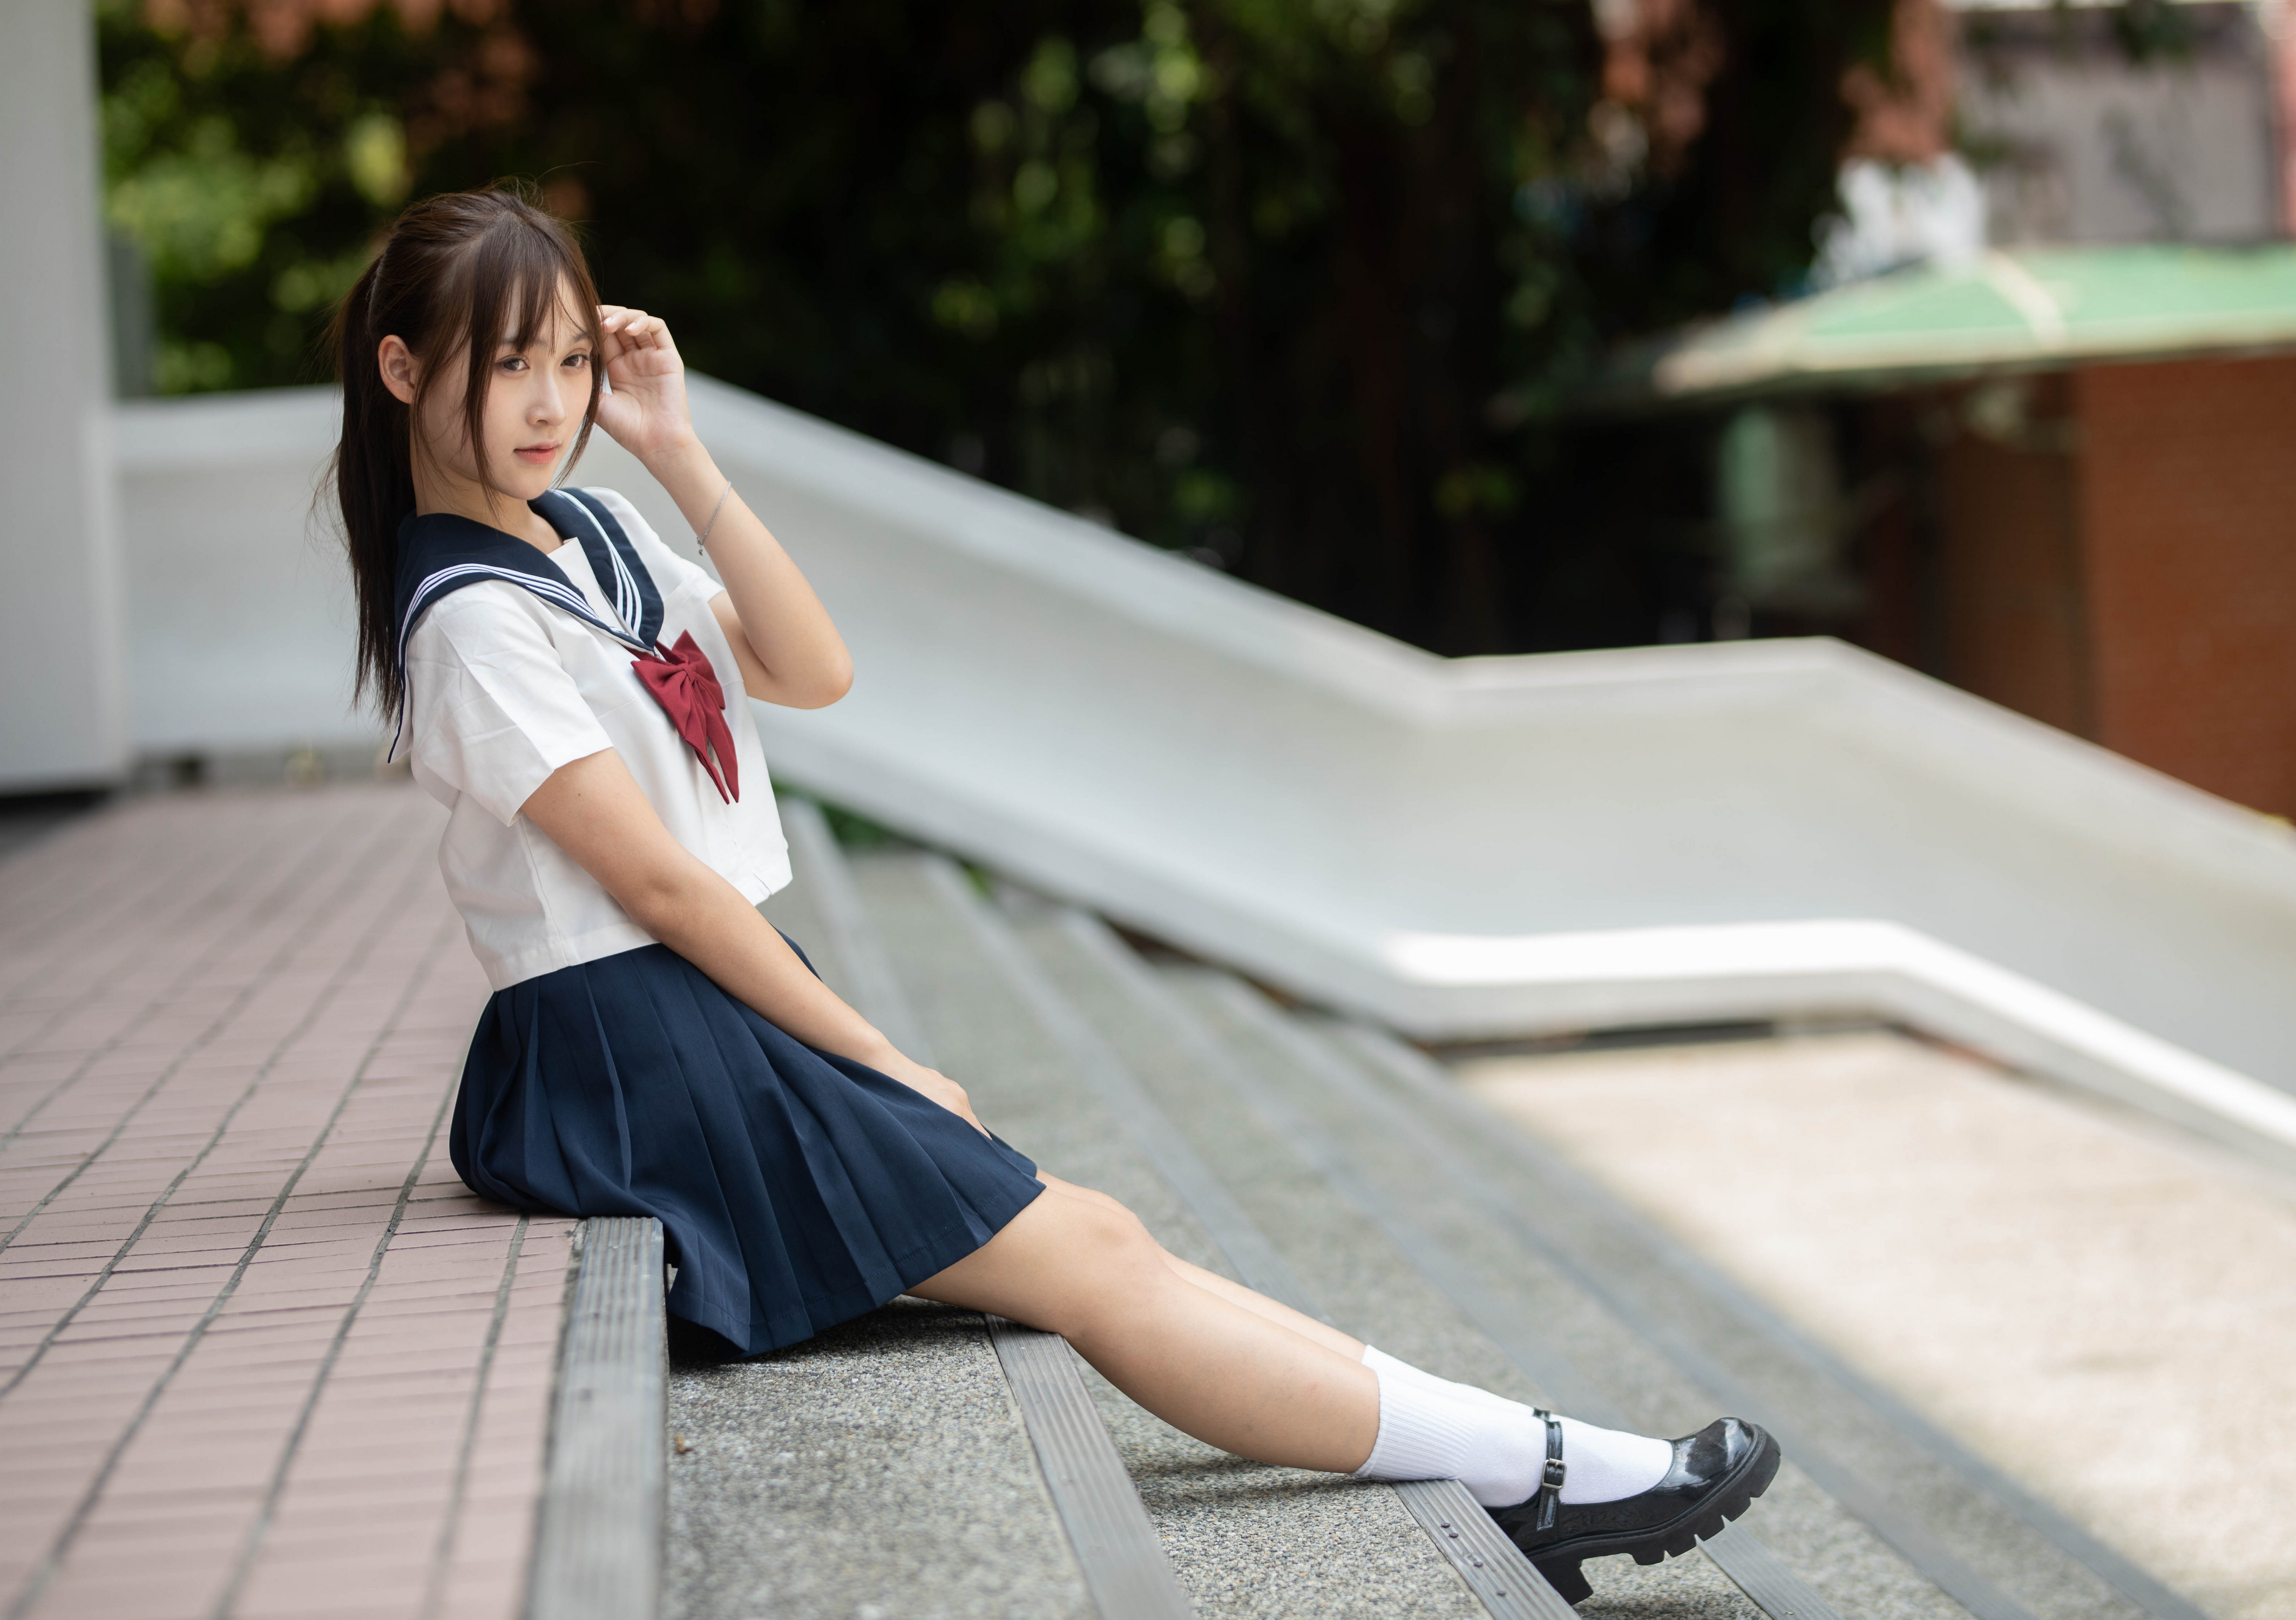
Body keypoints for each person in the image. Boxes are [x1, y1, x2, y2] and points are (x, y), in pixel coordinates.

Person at [330, 186, 1777, 1600]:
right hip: (637, 1043)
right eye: (506, 361)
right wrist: (880, 1059)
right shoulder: (467, 619)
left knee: (1097, 1238)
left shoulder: (591, 534)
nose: (547, 398)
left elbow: (809, 668)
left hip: (706, 1006)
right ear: (403, 371)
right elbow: (654, 882)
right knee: (1087, 1258)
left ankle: (1536, 1464)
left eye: (570, 359)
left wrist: (677, 451)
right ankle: (1546, 1473)